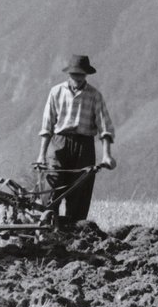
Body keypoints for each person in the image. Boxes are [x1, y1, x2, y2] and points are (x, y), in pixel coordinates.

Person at [37, 54, 115, 226]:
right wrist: (41, 155)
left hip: (84, 145)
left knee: (80, 190)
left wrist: (107, 155)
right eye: (75, 74)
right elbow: (47, 126)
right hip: (59, 142)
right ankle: (48, 227)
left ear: (86, 75)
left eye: (81, 75)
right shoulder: (56, 92)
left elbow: (105, 128)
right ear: (69, 74)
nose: (78, 78)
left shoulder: (94, 95)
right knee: (52, 185)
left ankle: (74, 232)